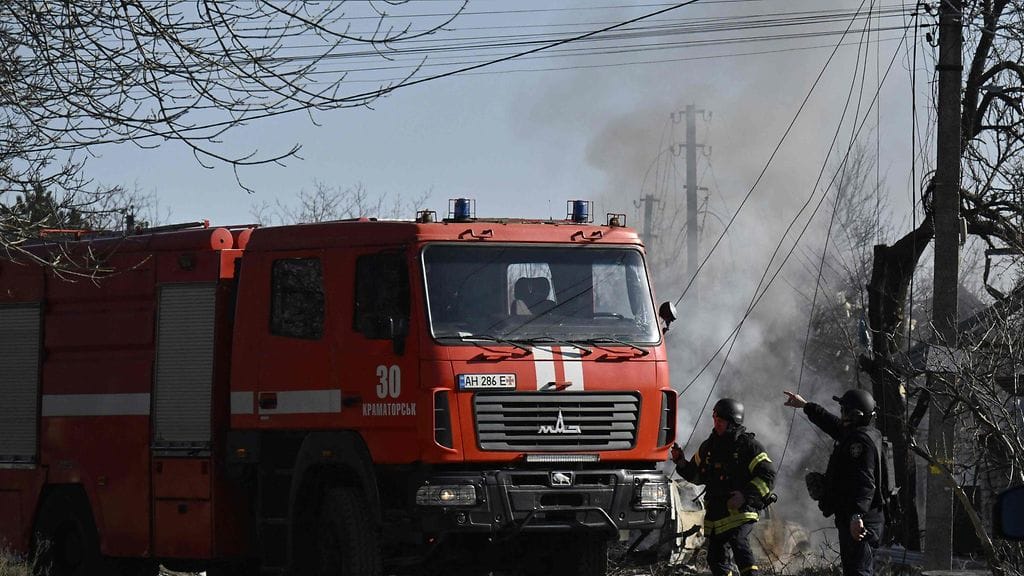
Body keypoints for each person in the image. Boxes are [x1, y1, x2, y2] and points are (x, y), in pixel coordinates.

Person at [783, 389, 884, 576]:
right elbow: (831, 423)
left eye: (845, 411)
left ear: (855, 415)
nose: (841, 415)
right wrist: (805, 405)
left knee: (859, 572)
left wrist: (857, 516)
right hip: (856, 518)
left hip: (861, 521)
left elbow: (865, 483)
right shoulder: (861, 434)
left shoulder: (860, 443)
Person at [671, 398, 776, 576]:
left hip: (741, 511)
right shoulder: (708, 447)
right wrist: (680, 461)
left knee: (739, 543)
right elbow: (697, 476)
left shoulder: (748, 446)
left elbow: (768, 475)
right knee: (715, 559)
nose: (716, 424)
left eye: (720, 420)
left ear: (733, 422)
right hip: (717, 515)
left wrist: (745, 495)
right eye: (715, 419)